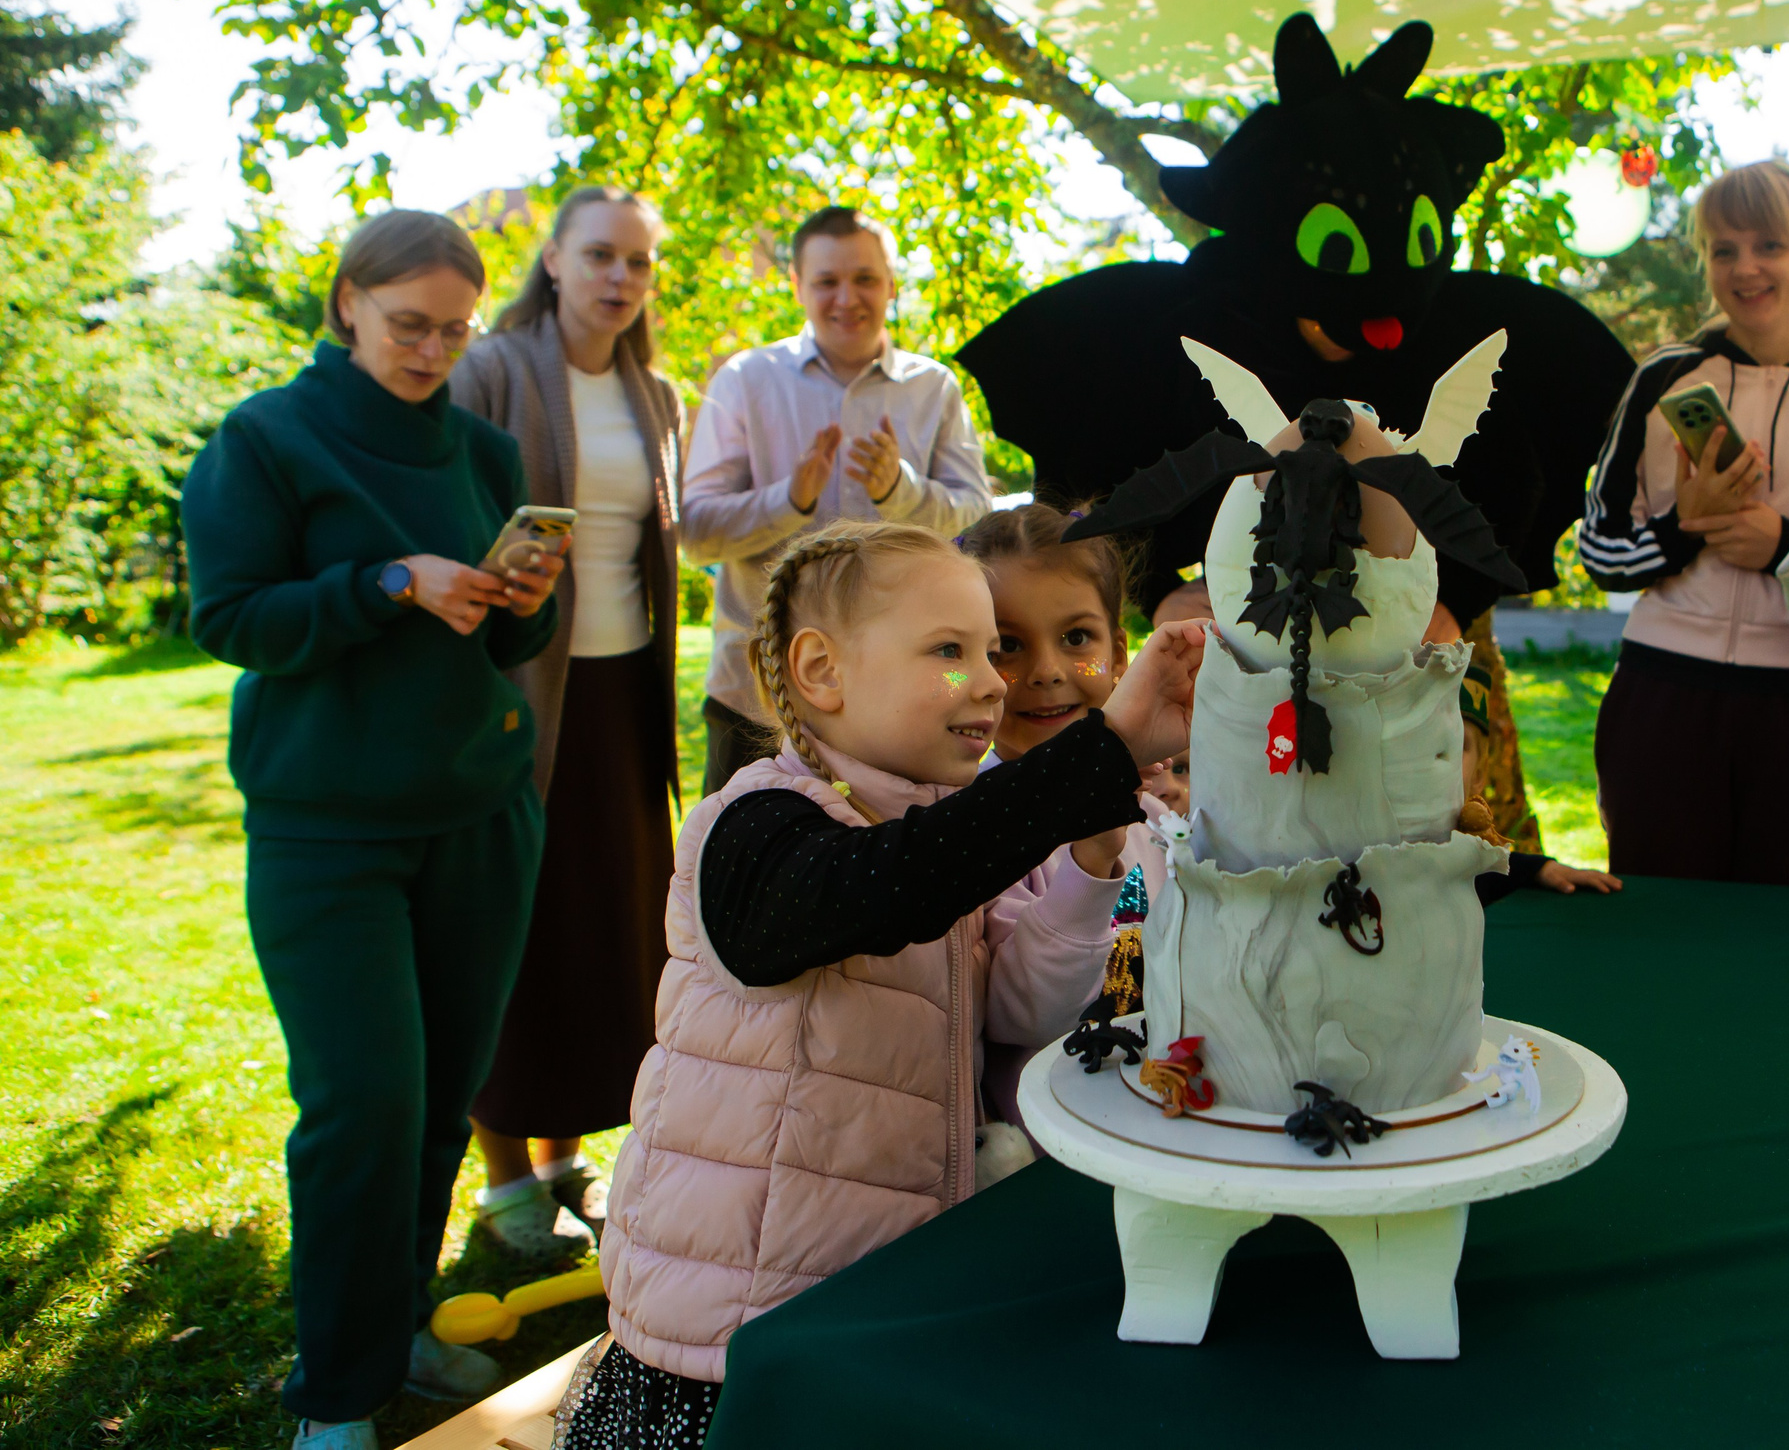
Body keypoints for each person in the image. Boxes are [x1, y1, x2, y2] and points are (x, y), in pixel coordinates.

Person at [566, 521, 1198, 1448]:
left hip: (869, 1283)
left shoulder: (938, 828)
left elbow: (1018, 1004)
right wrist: (1099, 754)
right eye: (952, 651)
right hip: (736, 1328)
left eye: (990, 651)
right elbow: (879, 885)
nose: (992, 679)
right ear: (822, 670)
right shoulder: (754, 824)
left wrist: (1096, 851)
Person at [181, 210, 565, 1450]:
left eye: (455, 329)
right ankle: (339, 1400)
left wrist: (517, 600)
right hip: (326, 832)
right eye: (410, 325)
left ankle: (395, 1327)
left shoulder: (484, 450)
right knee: (361, 1106)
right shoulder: (265, 438)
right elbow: (231, 617)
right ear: (348, 302)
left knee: (438, 1102)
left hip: (478, 816)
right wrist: (386, 581)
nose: (433, 348)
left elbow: (503, 647)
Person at [447, 187, 685, 1262]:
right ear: (552, 260)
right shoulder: (490, 372)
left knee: (611, 936)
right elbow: (449, 516)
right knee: (518, 933)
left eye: (637, 262)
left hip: (620, 696)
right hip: (519, 700)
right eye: (599, 256)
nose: (618, 279)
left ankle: (561, 1158)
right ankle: (501, 1182)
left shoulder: (656, 394)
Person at [1579, 159, 1789, 886]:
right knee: (1659, 934)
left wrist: (1784, 549)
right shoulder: (1665, 378)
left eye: (1769, 245)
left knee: (1787, 946)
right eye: (1723, 250)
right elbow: (1600, 550)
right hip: (1662, 698)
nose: (1745, 268)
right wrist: (1682, 529)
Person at [679, 206, 995, 795]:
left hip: (905, 707)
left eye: (865, 279)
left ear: (892, 284)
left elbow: (977, 522)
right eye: (827, 281)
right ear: (797, 285)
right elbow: (695, 535)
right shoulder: (745, 380)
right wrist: (789, 500)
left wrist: (897, 492)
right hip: (758, 702)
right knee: (741, 876)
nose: (846, 298)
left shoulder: (934, 389)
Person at [959, 501, 1174, 1123]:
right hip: (1042, 1157)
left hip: (1158, 1124)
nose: (1047, 672)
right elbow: (1019, 1015)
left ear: (1120, 657)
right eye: (1007, 646)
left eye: (1076, 638)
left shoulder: (1157, 823)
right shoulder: (971, 830)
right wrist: (1090, 859)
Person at [1461, 659, 1624, 904]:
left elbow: (1475, 872)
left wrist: (1537, 870)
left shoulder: (1474, 859)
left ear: (1479, 774)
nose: (1437, 758)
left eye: (1457, 745)